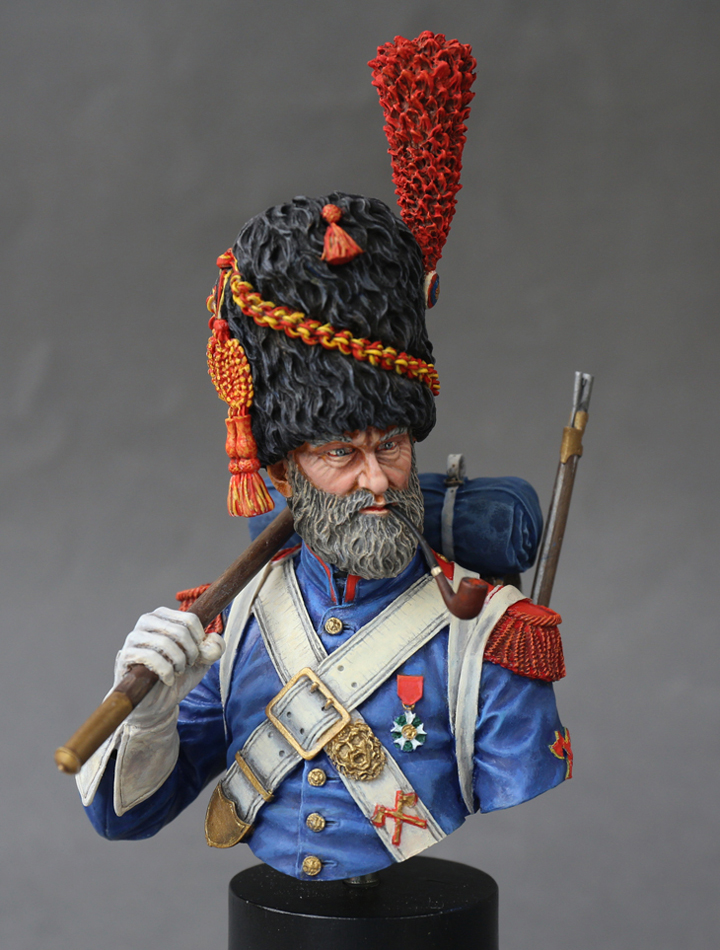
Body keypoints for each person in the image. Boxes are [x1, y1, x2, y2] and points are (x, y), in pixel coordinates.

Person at [76, 193, 571, 881]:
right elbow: (126, 816)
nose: (377, 478)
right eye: (341, 453)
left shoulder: (493, 637)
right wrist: (151, 720)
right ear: (286, 472)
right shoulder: (235, 620)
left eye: (391, 445)